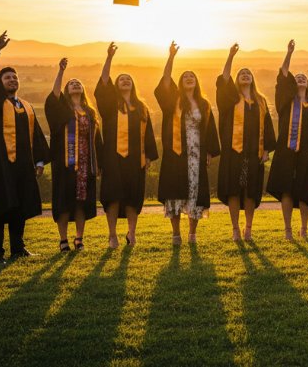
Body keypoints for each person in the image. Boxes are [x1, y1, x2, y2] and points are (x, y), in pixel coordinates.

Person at [0, 31, 49, 265]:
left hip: (23, 167)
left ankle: (18, 248)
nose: (12, 80)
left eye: (15, 78)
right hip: (0, 166)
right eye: (7, 78)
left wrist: (38, 162)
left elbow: (36, 135)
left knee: (20, 207)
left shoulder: (26, 106)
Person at [154, 41, 220, 245]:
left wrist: (209, 151)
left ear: (196, 82)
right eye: (185, 77)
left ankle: (192, 233)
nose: (189, 79)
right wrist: (171, 57)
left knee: (194, 193)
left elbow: (209, 129)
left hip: (196, 155)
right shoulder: (173, 100)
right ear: (180, 83)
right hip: (176, 154)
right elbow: (165, 81)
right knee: (175, 192)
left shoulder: (204, 104)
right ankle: (176, 233)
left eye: (192, 77)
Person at [95, 42, 159, 248]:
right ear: (117, 85)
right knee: (113, 196)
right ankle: (112, 235)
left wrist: (148, 156)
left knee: (132, 197)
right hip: (112, 158)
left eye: (128, 79)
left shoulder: (141, 108)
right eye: (121, 79)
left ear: (133, 85)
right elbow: (103, 84)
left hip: (135, 159)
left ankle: (132, 234)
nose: (124, 81)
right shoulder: (109, 106)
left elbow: (148, 134)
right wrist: (109, 58)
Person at [267, 39, 308, 239]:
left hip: (307, 155)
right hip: (287, 152)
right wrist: (289, 53)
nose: (300, 79)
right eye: (298, 77)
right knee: (286, 190)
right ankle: (287, 230)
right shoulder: (286, 103)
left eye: (304, 77)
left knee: (305, 192)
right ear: (293, 84)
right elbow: (283, 76)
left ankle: (303, 228)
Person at [215, 43, 276, 242]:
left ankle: (248, 229)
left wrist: (266, 149)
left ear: (253, 79)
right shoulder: (232, 98)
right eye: (241, 73)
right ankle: (235, 229)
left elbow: (267, 126)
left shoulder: (261, 101)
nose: (245, 75)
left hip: (254, 154)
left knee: (250, 192)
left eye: (248, 73)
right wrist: (230, 56)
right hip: (234, 152)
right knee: (234, 190)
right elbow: (223, 81)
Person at [45, 58, 103, 252]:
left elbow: (97, 139)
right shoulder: (63, 110)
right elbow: (53, 97)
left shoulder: (90, 112)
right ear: (67, 91)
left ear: (82, 89)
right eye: (71, 84)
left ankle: (79, 238)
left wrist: (99, 164)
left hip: (86, 165)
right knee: (63, 202)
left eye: (78, 83)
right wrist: (61, 72)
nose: (75, 84)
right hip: (65, 164)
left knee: (81, 203)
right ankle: (63, 240)